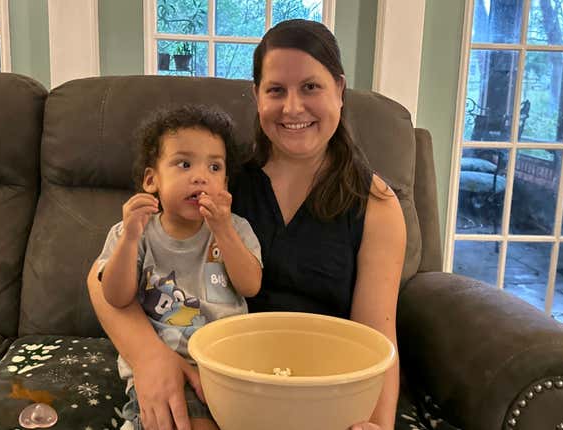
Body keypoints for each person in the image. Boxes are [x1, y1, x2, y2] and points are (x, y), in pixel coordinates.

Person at [88, 19, 406, 430]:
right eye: (276, 90)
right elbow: (101, 281)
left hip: (323, 389)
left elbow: (378, 338)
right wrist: (151, 358)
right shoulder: (218, 179)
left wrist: (379, 424)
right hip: (227, 383)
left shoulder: (376, 203)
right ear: (257, 97)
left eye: (311, 87)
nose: (293, 108)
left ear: (340, 91)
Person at [93, 104, 263, 430]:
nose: (200, 176)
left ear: (225, 183)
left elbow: (250, 285)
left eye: (214, 167)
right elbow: (115, 296)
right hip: (164, 369)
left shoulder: (236, 229)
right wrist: (129, 240)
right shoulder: (132, 232)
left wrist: (224, 231)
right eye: (184, 164)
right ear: (151, 179)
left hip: (227, 366)